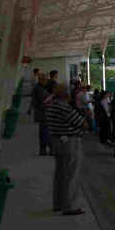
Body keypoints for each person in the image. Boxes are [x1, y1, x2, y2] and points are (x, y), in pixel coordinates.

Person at [45, 86, 87, 216]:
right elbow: (83, 123)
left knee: (60, 175)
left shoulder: (51, 107)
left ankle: (58, 203)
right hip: (69, 143)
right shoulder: (65, 108)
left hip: (57, 142)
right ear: (67, 96)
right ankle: (68, 206)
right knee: (70, 175)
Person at [33, 73, 52, 155]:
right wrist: (51, 97)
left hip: (43, 113)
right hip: (43, 113)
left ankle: (44, 149)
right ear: (41, 80)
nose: (47, 82)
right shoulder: (39, 89)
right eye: (45, 80)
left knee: (44, 132)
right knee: (46, 132)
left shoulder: (40, 88)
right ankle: (47, 149)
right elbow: (43, 102)